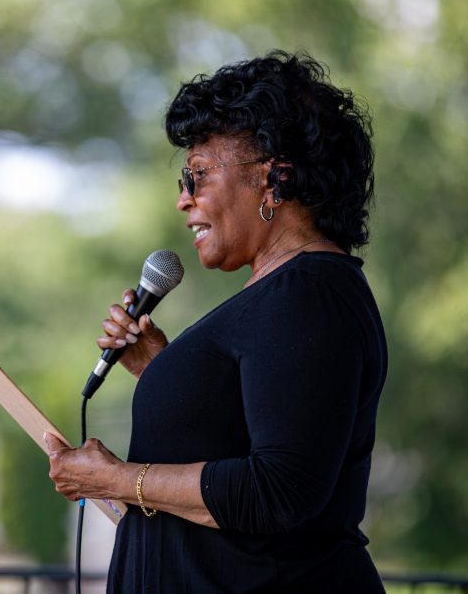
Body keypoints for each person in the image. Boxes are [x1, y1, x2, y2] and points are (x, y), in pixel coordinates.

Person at [45, 50, 387, 592]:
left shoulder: (308, 292)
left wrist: (116, 480)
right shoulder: (288, 292)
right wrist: (161, 369)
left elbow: (278, 489)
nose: (184, 199)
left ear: (275, 179)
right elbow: (247, 429)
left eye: (199, 174)